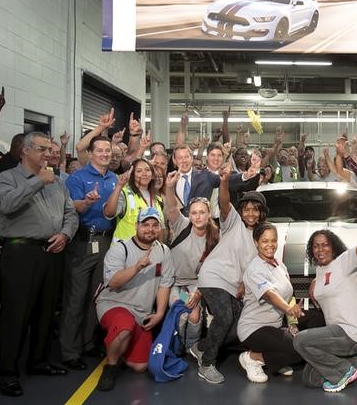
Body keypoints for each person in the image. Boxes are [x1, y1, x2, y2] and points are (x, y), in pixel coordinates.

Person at [0, 132, 79, 397]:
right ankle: (6, 372)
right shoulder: (8, 178)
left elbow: (70, 213)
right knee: (16, 314)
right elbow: (5, 205)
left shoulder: (56, 181)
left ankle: (38, 361)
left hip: (52, 251)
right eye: (42, 149)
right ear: (25, 151)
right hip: (21, 252)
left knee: (45, 312)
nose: (48, 154)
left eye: (50, 149)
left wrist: (65, 234)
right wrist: (36, 182)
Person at [292, 197, 357, 393]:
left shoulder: (344, 262)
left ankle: (344, 372)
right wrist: (314, 283)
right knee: (309, 378)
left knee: (300, 341)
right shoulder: (320, 273)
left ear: (333, 247)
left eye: (325, 245)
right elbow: (326, 285)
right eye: (316, 246)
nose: (320, 249)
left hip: (351, 332)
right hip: (335, 337)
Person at [191, 167, 268, 384]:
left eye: (256, 210)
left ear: (262, 214)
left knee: (238, 325)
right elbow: (224, 202)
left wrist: (245, 283)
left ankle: (201, 347)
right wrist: (224, 182)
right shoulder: (233, 222)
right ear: (241, 211)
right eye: (247, 209)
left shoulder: (261, 238)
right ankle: (207, 363)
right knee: (224, 316)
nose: (251, 214)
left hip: (234, 286)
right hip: (214, 277)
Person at [95, 207, 174, 391]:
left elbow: (165, 284)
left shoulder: (164, 251)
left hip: (141, 311)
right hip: (114, 304)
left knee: (140, 367)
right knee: (124, 327)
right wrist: (137, 267)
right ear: (136, 226)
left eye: (155, 225)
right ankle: (110, 367)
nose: (150, 229)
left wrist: (160, 313)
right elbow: (113, 282)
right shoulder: (120, 249)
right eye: (145, 224)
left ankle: (115, 342)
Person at [60, 135, 118, 371]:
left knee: (96, 296)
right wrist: (85, 202)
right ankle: (69, 351)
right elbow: (69, 206)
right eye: (100, 150)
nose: (105, 154)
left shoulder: (114, 179)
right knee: (75, 298)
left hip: (105, 243)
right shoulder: (78, 178)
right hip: (82, 242)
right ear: (91, 154)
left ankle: (86, 343)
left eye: (108, 151)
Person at [237, 222, 304, 383]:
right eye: (265, 241)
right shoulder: (255, 269)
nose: (270, 245)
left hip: (274, 326)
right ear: (256, 243)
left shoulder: (280, 265)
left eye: (273, 240)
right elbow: (270, 294)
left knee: (314, 325)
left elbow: (289, 295)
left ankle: (277, 359)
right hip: (254, 328)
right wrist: (288, 309)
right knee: (298, 347)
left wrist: (293, 323)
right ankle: (252, 358)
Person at [163, 171, 219, 351]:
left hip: (197, 285)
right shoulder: (182, 225)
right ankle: (176, 345)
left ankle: (191, 347)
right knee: (181, 315)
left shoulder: (215, 237)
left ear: (209, 213)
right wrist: (170, 187)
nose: (197, 216)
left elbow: (214, 272)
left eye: (202, 212)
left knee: (194, 316)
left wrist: (199, 293)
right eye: (194, 212)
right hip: (175, 284)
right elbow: (171, 209)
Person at [104, 158, 164, 242]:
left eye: (147, 170)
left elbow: (161, 228)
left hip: (149, 250)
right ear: (132, 174)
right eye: (139, 171)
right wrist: (119, 186)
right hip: (125, 250)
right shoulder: (125, 193)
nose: (144, 174)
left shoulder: (157, 199)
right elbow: (108, 213)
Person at [171, 144, 220, 216]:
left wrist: (242, 176)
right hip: (178, 225)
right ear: (174, 160)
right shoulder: (170, 180)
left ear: (192, 158)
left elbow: (226, 180)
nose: (184, 160)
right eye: (180, 158)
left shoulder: (205, 176)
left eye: (187, 157)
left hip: (201, 224)